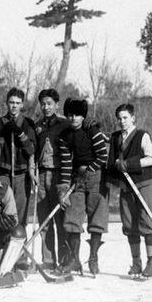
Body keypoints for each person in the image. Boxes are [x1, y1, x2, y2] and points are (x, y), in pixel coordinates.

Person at [56, 98, 109, 276]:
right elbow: (65, 163)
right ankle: (74, 260)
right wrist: (63, 188)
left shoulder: (91, 131)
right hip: (77, 179)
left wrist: (89, 169)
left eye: (77, 115)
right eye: (70, 114)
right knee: (72, 217)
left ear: (83, 115)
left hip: (96, 178)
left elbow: (103, 155)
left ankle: (93, 258)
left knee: (97, 218)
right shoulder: (65, 136)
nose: (73, 118)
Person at [107, 103, 152, 278]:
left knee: (148, 222)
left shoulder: (142, 136)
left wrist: (129, 164)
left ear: (133, 118)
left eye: (125, 118)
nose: (122, 121)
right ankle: (136, 263)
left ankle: (151, 262)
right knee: (129, 224)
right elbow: (112, 160)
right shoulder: (115, 138)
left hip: (144, 184)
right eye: (119, 118)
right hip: (127, 186)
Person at [0, 87, 37, 268]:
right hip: (4, 174)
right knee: (4, 216)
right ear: (7, 103)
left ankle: (19, 258)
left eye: (18, 103)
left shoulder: (27, 123)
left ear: (22, 104)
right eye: (11, 102)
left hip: (20, 175)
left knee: (20, 218)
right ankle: (2, 257)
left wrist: (20, 133)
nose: (14, 106)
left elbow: (31, 149)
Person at [34, 88, 69, 271]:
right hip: (41, 175)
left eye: (49, 104)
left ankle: (64, 259)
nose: (46, 107)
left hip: (59, 175)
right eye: (43, 104)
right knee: (44, 220)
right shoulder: (37, 125)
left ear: (56, 104)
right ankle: (48, 259)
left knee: (61, 221)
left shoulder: (65, 124)